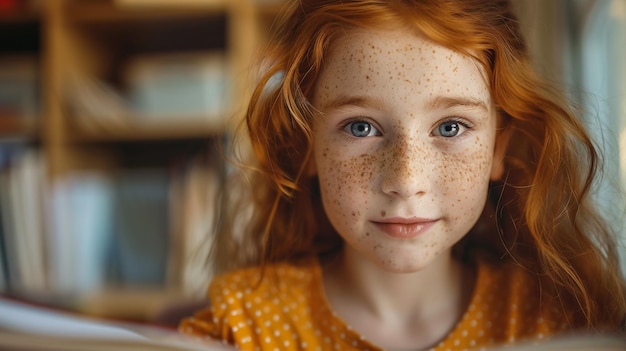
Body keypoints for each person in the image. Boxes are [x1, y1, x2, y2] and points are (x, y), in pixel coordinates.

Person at [179, 0, 626, 350]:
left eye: (450, 127)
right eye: (361, 127)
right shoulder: (238, 331)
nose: (406, 180)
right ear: (307, 146)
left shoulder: (553, 325)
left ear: (498, 147)